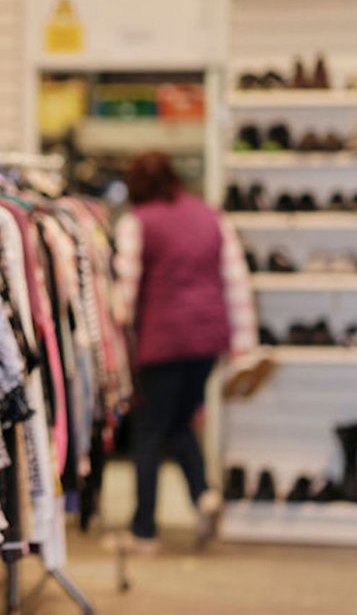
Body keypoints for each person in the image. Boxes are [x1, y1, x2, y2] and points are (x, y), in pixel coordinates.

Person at [113, 151, 259, 553]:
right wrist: (243, 345)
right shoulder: (211, 215)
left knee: (149, 428)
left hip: (161, 338)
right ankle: (204, 496)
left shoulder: (136, 222)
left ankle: (143, 530)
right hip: (207, 339)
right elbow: (235, 281)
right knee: (178, 421)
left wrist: (116, 329)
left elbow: (125, 290)